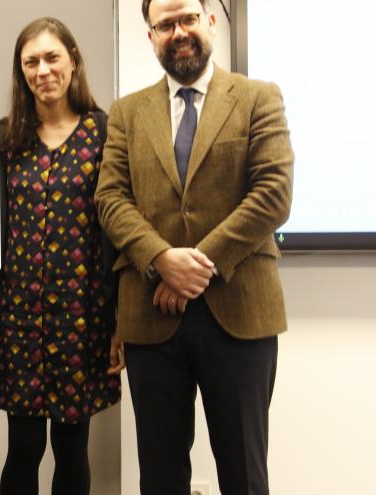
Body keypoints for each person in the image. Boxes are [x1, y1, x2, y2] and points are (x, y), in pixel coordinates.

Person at [94, 0, 294, 493]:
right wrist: (162, 260)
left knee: (244, 474)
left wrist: (195, 268)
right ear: (151, 36)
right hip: (151, 319)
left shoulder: (257, 97)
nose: (177, 31)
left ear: (209, 20)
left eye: (186, 18)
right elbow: (111, 198)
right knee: (160, 476)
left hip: (240, 313)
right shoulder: (127, 113)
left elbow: (273, 193)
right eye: (164, 24)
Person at [0, 17, 123, 495]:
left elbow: (116, 231)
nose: (43, 70)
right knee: (22, 448)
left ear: (73, 60)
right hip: (18, 316)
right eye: (31, 62)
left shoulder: (104, 132)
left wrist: (121, 320)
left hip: (84, 317)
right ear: (21, 72)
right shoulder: (2, 139)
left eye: (51, 57)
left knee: (71, 447)